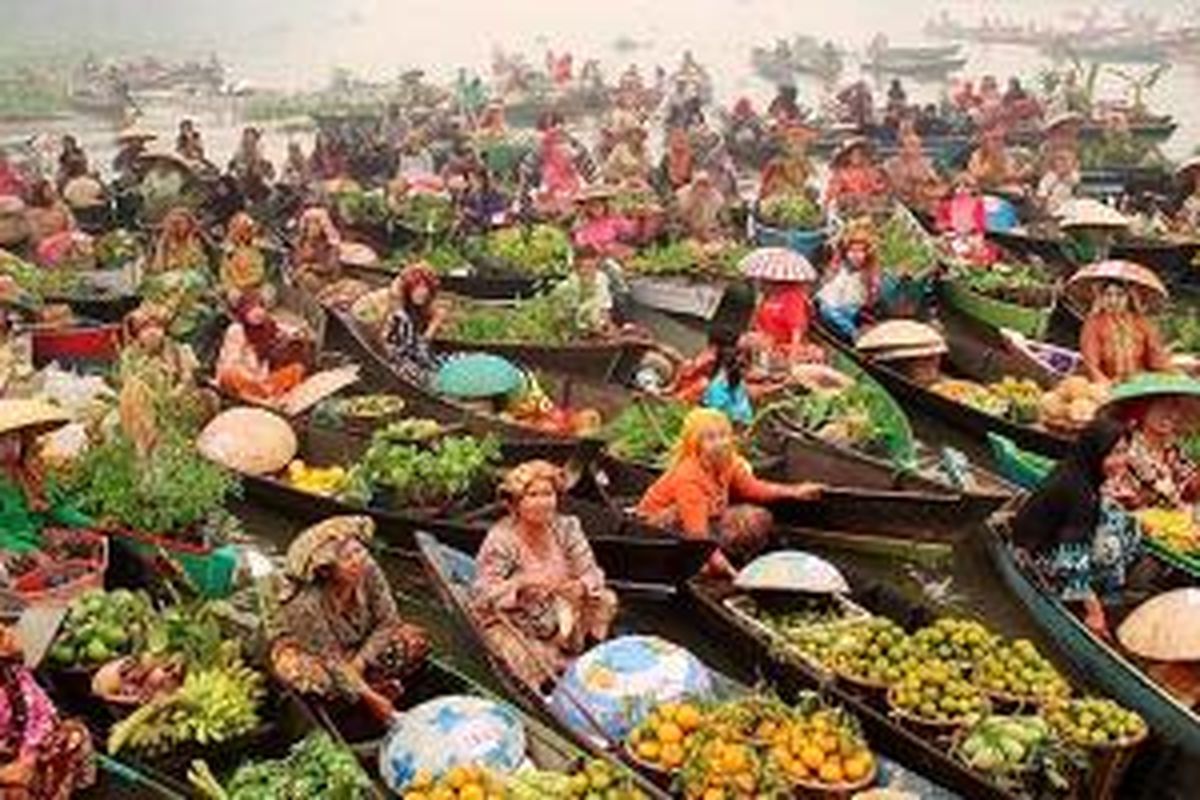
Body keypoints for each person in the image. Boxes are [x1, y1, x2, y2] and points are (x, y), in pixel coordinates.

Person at [269, 516, 430, 724]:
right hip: (315, 654)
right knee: (303, 675)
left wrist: (359, 663)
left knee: (414, 641)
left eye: (359, 551)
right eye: (347, 558)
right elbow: (330, 659)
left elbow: (388, 621)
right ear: (327, 571)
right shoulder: (304, 603)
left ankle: (363, 686)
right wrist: (372, 700)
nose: (358, 560)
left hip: (358, 646)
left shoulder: (367, 568)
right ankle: (364, 691)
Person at [472, 460, 617, 690]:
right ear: (515, 503)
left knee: (606, 599)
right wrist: (522, 583)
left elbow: (593, 573)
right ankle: (547, 680)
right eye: (532, 495)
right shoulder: (502, 540)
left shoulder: (567, 527)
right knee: (531, 659)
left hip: (562, 612)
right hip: (518, 622)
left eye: (548, 494)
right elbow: (483, 596)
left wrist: (580, 586)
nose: (542, 503)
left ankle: (588, 656)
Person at [637, 408, 822, 578]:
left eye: (723, 436)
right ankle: (693, 563)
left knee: (757, 517)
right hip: (658, 529)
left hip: (705, 519)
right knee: (680, 517)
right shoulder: (689, 476)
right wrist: (722, 567)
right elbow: (697, 532)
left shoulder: (729, 462)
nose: (720, 443)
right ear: (696, 444)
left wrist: (794, 492)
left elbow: (753, 489)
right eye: (710, 438)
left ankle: (719, 558)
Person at [1011, 417, 1131, 636]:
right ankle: (1075, 593)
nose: (1121, 461)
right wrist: (1095, 614)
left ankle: (1092, 587)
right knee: (1110, 537)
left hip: (1048, 537)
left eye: (1124, 451)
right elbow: (1072, 558)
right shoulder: (1079, 490)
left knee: (1122, 523)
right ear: (1094, 451)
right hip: (1034, 553)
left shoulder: (1078, 468)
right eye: (1113, 453)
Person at [0, 624, 95, 799]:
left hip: (18, 749)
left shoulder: (13, 676)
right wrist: (5, 774)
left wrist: (27, 757)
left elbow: (39, 713)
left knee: (75, 735)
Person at [216, 293, 307, 403]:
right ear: (243, 312)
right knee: (230, 374)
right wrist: (251, 379)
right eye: (252, 309)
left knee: (297, 369)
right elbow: (231, 362)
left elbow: (287, 330)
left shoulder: (267, 326)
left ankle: (269, 394)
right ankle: (262, 397)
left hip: (262, 381)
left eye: (261, 307)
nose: (258, 312)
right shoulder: (237, 330)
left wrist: (297, 332)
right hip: (244, 378)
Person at [1079, 280, 1171, 384]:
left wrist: (1168, 375)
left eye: (1119, 295)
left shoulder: (1141, 322)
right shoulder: (1093, 325)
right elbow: (1091, 364)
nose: (1113, 301)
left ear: (1128, 297)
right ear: (1101, 298)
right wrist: (1106, 383)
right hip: (1107, 386)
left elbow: (1156, 356)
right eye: (1108, 295)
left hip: (1140, 383)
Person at [816, 219, 880, 340]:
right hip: (834, 301)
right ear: (846, 252)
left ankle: (853, 332)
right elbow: (828, 285)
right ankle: (853, 332)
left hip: (851, 305)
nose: (856, 255)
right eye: (852, 251)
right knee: (827, 310)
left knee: (841, 314)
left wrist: (872, 291)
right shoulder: (841, 267)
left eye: (860, 251)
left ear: (867, 253)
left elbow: (869, 296)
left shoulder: (866, 273)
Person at [382, 264, 445, 383]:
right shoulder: (398, 309)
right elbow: (385, 338)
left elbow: (425, 340)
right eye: (417, 287)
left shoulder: (434, 311)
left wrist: (428, 334)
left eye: (425, 287)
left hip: (417, 353)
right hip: (395, 356)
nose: (421, 292)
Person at [884, 127, 944, 211]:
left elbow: (938, 186)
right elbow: (891, 188)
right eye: (910, 145)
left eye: (917, 145)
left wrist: (926, 188)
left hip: (922, 204)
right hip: (899, 205)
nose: (915, 149)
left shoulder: (926, 164)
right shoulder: (891, 164)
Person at [824, 138, 888, 216]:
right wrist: (848, 198)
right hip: (847, 211)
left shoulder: (871, 170)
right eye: (853, 153)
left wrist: (869, 199)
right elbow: (832, 195)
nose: (856, 156)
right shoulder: (840, 173)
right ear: (847, 156)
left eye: (859, 153)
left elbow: (881, 189)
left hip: (870, 209)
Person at [219, 211, 271, 305]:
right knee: (234, 296)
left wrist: (250, 284)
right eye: (242, 229)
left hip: (254, 286)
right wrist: (234, 286)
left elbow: (260, 270)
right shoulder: (229, 250)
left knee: (268, 293)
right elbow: (224, 273)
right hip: (236, 287)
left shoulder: (256, 248)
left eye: (247, 229)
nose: (245, 233)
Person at [571, 186, 633, 257]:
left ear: (604, 205)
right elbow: (579, 241)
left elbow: (629, 232)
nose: (596, 208)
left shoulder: (614, 219)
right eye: (592, 205)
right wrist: (595, 247)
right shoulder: (584, 223)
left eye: (599, 205)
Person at [758, 124, 816, 201]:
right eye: (795, 145)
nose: (800, 149)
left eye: (803, 145)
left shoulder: (804, 162)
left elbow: (812, 177)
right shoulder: (776, 164)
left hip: (799, 197)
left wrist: (810, 186)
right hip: (780, 199)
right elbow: (768, 187)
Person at [291, 206, 341, 294]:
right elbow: (296, 260)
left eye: (316, 222)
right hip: (302, 274)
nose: (313, 227)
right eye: (309, 222)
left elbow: (329, 267)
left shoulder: (330, 244)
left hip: (324, 278)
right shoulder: (302, 242)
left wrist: (309, 267)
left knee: (308, 279)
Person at [967, 124, 1028, 194]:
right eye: (995, 139)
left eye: (1002, 139)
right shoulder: (978, 155)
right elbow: (977, 175)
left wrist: (1021, 174)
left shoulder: (1006, 156)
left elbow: (1011, 174)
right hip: (984, 191)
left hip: (1002, 191)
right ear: (986, 141)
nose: (1000, 143)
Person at [149, 206, 208, 274]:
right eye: (174, 223)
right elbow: (157, 268)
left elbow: (200, 264)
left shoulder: (198, 239)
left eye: (180, 223)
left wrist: (191, 241)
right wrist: (161, 246)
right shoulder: (164, 243)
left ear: (189, 224)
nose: (177, 227)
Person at [228, 127, 275, 205]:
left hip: (258, 196)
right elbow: (231, 174)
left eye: (252, 143)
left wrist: (261, 167)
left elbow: (272, 176)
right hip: (240, 195)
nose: (249, 146)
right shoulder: (237, 158)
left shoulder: (262, 160)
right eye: (246, 142)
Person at [675, 170, 727, 241]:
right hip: (687, 230)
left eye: (704, 184)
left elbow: (720, 219)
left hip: (707, 229)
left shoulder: (717, 198)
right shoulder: (683, 194)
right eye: (699, 184)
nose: (701, 189)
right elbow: (680, 216)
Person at [22, 180, 74, 247]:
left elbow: (71, 225)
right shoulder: (30, 213)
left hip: (62, 242)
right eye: (49, 190)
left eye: (52, 190)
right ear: (39, 192)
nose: (53, 192)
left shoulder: (60, 207)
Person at [1036, 147, 1080, 217]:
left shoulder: (1073, 176)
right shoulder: (1048, 178)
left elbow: (1074, 181)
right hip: (1052, 208)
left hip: (1069, 206)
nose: (1063, 163)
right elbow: (1042, 195)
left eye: (1067, 160)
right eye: (1060, 160)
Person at [662, 127, 694, 191]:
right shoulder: (666, 157)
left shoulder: (691, 155)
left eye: (682, 140)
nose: (680, 138)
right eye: (676, 136)